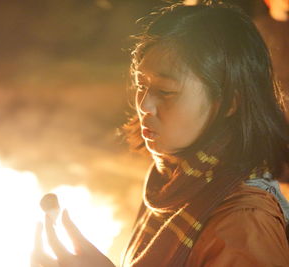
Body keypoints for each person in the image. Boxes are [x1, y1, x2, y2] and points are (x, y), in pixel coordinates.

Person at [31, 2, 289, 266]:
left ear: (229, 103)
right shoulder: (173, 181)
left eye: (166, 92)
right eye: (141, 84)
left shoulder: (244, 224)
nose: (143, 105)